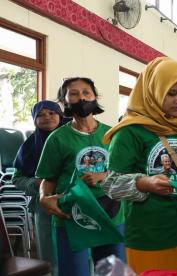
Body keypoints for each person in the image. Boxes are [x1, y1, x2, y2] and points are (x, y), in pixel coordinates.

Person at [101, 57, 177, 273]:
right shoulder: (130, 131)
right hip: (150, 234)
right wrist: (144, 183)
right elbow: (111, 183)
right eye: (172, 93)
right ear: (153, 91)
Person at [36, 77, 125, 276]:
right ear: (65, 102)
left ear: (95, 97)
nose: (82, 97)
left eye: (86, 92)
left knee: (114, 272)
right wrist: (44, 198)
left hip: (110, 213)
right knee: (74, 272)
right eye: (74, 94)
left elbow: (126, 172)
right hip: (71, 215)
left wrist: (103, 175)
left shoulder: (113, 134)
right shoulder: (57, 138)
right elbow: (48, 178)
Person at [12, 100, 65, 275]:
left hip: (77, 201)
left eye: (52, 113)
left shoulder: (73, 138)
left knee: (79, 252)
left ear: (60, 115)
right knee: (50, 251)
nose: (47, 118)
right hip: (44, 206)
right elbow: (17, 178)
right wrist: (36, 184)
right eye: (40, 115)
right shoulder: (29, 146)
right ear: (34, 120)